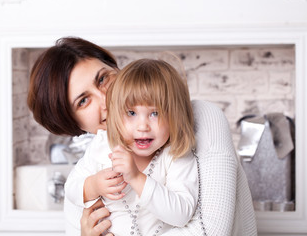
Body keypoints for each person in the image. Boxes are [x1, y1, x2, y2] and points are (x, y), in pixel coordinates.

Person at [27, 37, 257, 236]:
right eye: (83, 101)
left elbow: (211, 231)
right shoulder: (93, 163)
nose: (106, 99)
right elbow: (75, 196)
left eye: (102, 79)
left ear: (115, 68)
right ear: (73, 124)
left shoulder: (196, 122)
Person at [65, 59, 198, 235]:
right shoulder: (103, 145)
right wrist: (94, 185)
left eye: (155, 113)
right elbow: (71, 188)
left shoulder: (175, 154)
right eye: (131, 113)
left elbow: (182, 214)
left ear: (176, 116)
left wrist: (136, 177)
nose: (142, 126)